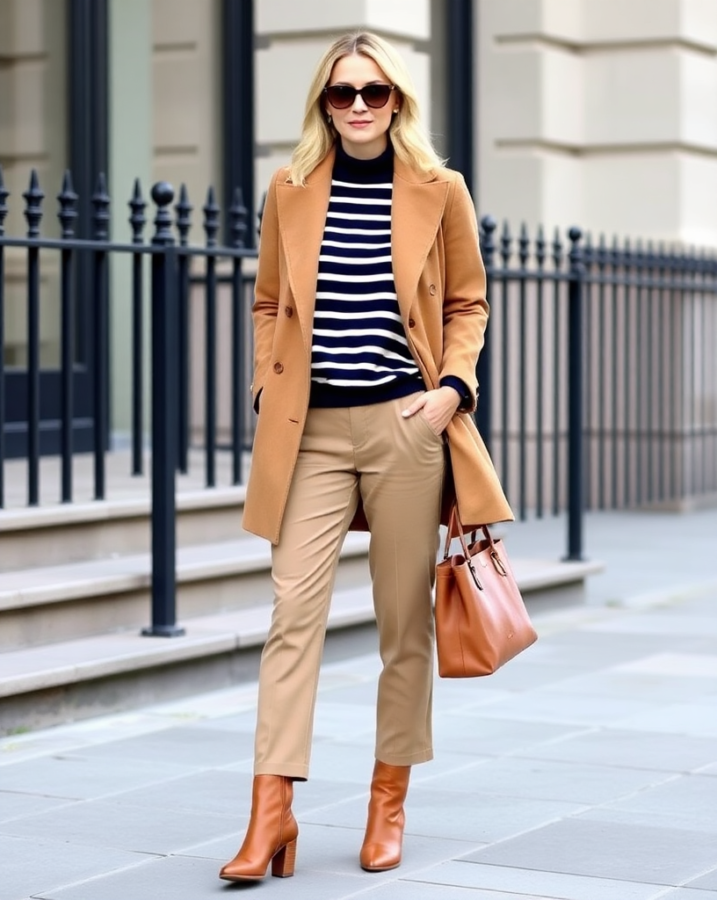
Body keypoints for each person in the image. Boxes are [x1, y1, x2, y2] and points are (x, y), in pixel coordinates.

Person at [219, 31, 512, 883]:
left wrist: (451, 392)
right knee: (290, 619)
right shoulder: (290, 188)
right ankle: (269, 811)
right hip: (308, 431)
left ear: (397, 102)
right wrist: (266, 389)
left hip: (403, 427)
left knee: (399, 625)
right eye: (341, 94)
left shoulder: (438, 188)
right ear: (322, 104)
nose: (356, 107)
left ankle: (388, 802)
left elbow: (467, 301)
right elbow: (269, 300)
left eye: (372, 93)